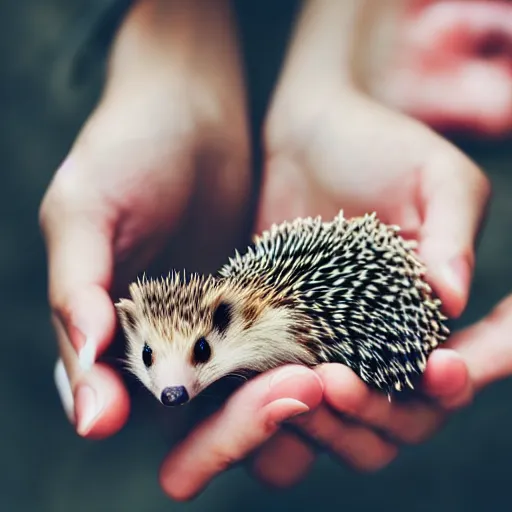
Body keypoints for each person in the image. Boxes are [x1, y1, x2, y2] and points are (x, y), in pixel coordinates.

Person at [39, 0, 512, 501]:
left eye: (201, 352)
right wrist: (170, 56)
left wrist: (332, 70)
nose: (172, 385)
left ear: (228, 319)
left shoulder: (262, 324)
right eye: (152, 357)